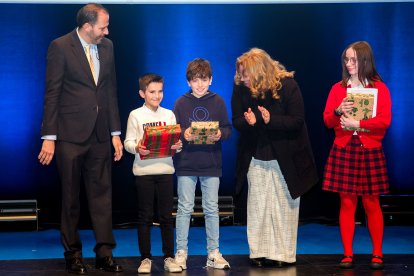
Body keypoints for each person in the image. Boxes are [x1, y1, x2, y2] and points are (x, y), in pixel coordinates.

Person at [37, 3, 123, 274]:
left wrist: (115, 133)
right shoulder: (60, 47)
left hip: (99, 134)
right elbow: (52, 93)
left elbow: (109, 91)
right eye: (103, 27)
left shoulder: (108, 47)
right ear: (87, 26)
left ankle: (104, 253)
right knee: (71, 198)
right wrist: (49, 137)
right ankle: (73, 254)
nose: (106, 31)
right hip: (70, 136)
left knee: (102, 196)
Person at [231, 48, 318, 268]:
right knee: (258, 207)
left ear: (260, 72)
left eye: (246, 74)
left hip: (286, 156)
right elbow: (236, 120)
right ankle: (258, 252)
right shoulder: (241, 88)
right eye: (240, 74)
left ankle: (283, 254)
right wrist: (248, 122)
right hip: (256, 155)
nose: (242, 79)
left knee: (284, 206)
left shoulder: (288, 85)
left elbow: (297, 121)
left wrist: (271, 120)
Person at [322, 41, 391, 270]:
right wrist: (337, 110)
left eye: (353, 59)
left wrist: (358, 123)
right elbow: (327, 121)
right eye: (346, 60)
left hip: (369, 149)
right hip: (344, 148)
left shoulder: (379, 88)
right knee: (347, 202)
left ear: (364, 60)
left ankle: (377, 253)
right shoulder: (337, 89)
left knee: (372, 202)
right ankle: (347, 254)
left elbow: (385, 120)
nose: (349, 64)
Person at [173, 58, 232, 270]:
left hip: (211, 164)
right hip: (186, 164)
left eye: (204, 79)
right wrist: (183, 132)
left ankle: (214, 253)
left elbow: (227, 128)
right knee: (184, 209)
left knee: (211, 209)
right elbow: (174, 131)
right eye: (195, 80)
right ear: (189, 81)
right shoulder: (180, 103)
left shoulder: (218, 102)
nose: (200, 84)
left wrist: (220, 134)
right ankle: (181, 253)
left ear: (211, 80)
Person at [124, 73, 183, 274]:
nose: (156, 96)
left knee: (166, 216)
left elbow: (175, 143)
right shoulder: (135, 115)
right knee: (145, 217)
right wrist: (137, 148)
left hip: (165, 171)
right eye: (152, 92)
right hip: (143, 172)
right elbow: (128, 143)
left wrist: (178, 145)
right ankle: (145, 258)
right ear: (142, 93)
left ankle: (168, 256)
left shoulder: (169, 115)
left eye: (160, 91)